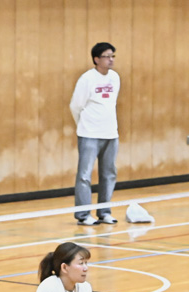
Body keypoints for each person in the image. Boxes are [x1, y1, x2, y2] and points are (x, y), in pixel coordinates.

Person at [69, 42, 120, 226]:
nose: (111, 60)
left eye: (113, 56)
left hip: (110, 133)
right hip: (89, 134)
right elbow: (75, 106)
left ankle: (104, 212)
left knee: (109, 174)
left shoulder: (115, 78)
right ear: (97, 59)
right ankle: (83, 215)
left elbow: (111, 103)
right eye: (107, 56)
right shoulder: (87, 79)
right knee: (84, 175)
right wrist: (83, 126)